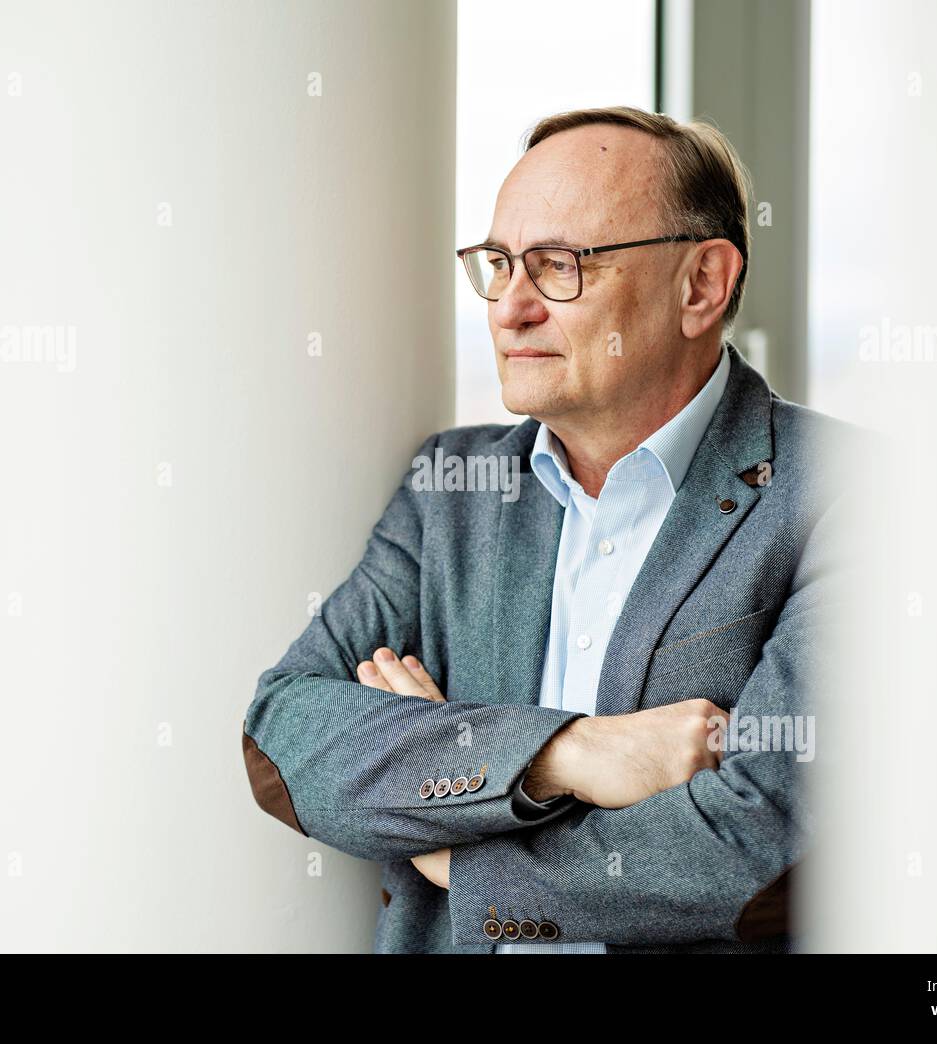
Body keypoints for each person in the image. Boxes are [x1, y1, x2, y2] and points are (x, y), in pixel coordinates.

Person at [242, 106, 862, 953]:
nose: (509, 310)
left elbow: (757, 852)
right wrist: (567, 754)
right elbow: (283, 737)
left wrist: (453, 854)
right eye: (498, 265)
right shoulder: (451, 488)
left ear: (702, 286)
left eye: (559, 266)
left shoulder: (852, 494)